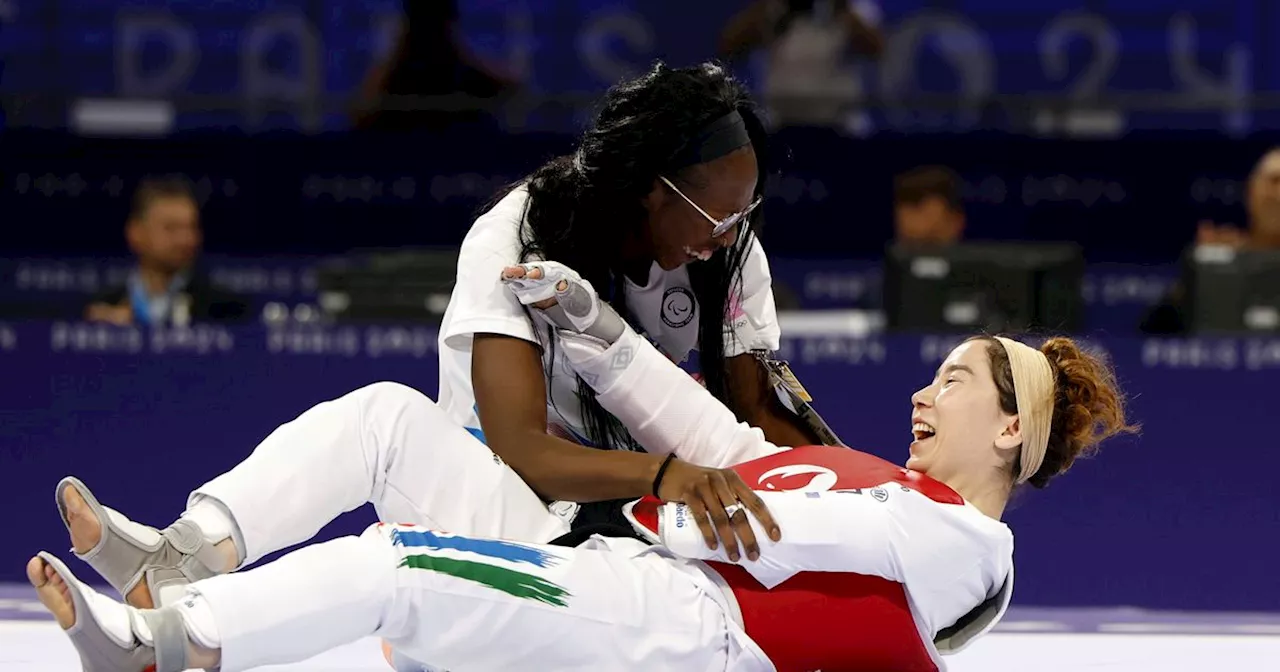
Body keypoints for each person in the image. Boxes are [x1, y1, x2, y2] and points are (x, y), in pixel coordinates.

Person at [29, 261, 1135, 672]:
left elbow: (761, 523)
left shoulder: (966, 545)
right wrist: (598, 329)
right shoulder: (855, 471)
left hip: (675, 626)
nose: (920, 392)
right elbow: (707, 437)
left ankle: (169, 650)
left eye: (949, 382)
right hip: (620, 557)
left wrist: (680, 514)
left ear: (1008, 432)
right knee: (381, 420)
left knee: (399, 567)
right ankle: (180, 559)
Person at [48, 61, 821, 622]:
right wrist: (667, 473)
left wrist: (869, 502)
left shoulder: (729, 255)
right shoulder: (518, 235)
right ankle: (185, 558)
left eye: (742, 217)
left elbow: (760, 419)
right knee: (383, 417)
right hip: (503, 507)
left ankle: (181, 583)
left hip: (640, 535)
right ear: (651, 187)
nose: (728, 240)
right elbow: (523, 449)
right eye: (716, 218)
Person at [83, 176, 250, 327]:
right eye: (171, 228)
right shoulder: (99, 309)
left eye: (192, 228)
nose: (186, 239)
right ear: (136, 233)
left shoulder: (227, 311)